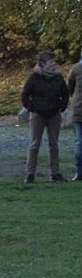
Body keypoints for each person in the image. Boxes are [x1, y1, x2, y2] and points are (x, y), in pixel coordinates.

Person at [21, 50, 69, 183]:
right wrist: (32, 108)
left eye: (54, 61)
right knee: (34, 144)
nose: (53, 64)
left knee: (54, 145)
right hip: (38, 115)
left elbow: (65, 93)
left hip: (54, 114)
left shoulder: (58, 77)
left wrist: (61, 106)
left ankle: (55, 173)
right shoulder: (33, 77)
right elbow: (25, 95)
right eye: (50, 62)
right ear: (42, 64)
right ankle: (30, 174)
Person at [66, 49, 82, 181]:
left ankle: (79, 172)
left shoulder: (76, 69)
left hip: (78, 111)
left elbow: (69, 87)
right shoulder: (76, 69)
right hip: (78, 112)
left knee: (79, 142)